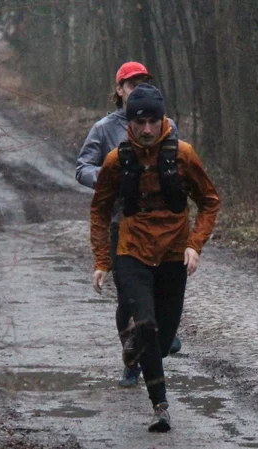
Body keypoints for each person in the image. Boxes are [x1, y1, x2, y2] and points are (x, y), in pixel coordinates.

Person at [90, 84, 220, 432]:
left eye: (153, 121)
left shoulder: (184, 154)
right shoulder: (117, 161)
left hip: (174, 254)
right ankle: (160, 406)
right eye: (140, 121)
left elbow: (209, 201)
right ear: (128, 122)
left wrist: (195, 243)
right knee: (145, 324)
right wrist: (103, 260)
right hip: (131, 251)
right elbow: (100, 210)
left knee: (161, 341)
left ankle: (139, 350)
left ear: (163, 120)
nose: (147, 129)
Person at [76, 61, 182, 388]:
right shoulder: (104, 129)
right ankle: (131, 357)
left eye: (142, 82)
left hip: (160, 223)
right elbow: (82, 168)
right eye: (131, 84)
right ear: (119, 90)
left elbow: (180, 165)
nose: (136, 88)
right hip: (120, 221)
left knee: (162, 288)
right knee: (127, 299)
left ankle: (162, 334)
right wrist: (112, 178)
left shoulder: (168, 126)